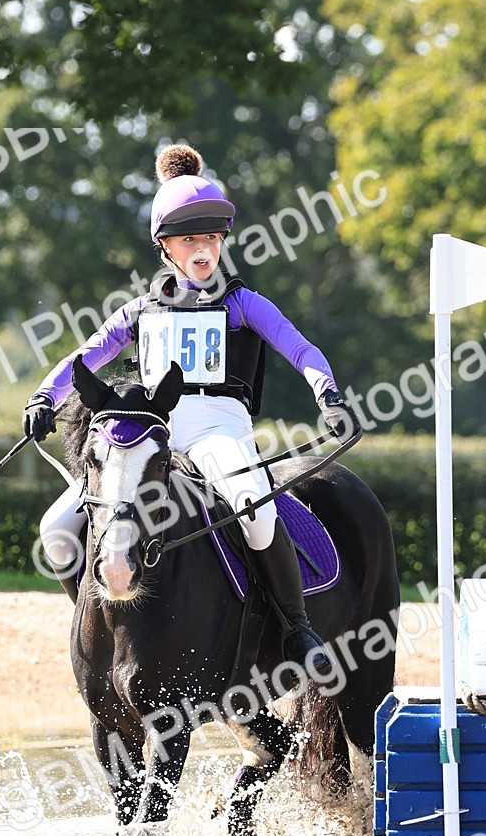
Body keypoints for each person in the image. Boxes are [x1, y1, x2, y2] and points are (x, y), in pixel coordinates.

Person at [22, 144, 359, 672]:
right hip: (151, 435)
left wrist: (328, 394)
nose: (202, 249)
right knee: (57, 527)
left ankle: (295, 625)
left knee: (253, 501)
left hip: (218, 431)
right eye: (188, 239)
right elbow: (84, 357)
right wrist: (45, 397)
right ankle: (98, 620)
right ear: (166, 248)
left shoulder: (243, 304)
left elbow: (302, 349)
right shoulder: (139, 310)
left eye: (210, 238)